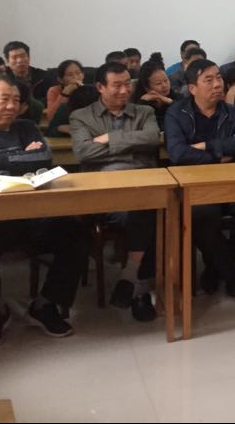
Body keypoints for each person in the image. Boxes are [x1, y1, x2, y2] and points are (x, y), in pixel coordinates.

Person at [0, 75, 88, 348]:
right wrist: (21, 162)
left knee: (76, 233)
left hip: (33, 215)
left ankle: (46, 304)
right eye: (4, 99)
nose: (12, 106)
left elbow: (44, 159)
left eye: (16, 100)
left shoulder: (27, 127)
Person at [165, 59, 235, 297]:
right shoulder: (177, 113)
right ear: (192, 88)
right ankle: (229, 273)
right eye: (209, 80)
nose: (218, 84)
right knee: (201, 216)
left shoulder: (234, 112)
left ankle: (217, 266)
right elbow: (178, 153)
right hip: (197, 184)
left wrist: (206, 146)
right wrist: (218, 156)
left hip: (233, 181)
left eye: (218, 78)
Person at [69, 62, 161, 322]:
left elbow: (152, 139)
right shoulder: (81, 116)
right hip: (104, 190)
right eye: (117, 85)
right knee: (148, 211)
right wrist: (131, 145)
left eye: (127, 84)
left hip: (143, 184)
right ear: (100, 87)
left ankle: (131, 281)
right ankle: (139, 289)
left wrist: (109, 139)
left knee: (150, 207)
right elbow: (84, 152)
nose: (124, 90)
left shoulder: (144, 111)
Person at [131, 60, 175, 130]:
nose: (164, 85)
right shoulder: (143, 103)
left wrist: (169, 101)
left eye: (166, 80)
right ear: (147, 88)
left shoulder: (176, 96)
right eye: (158, 83)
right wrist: (142, 102)